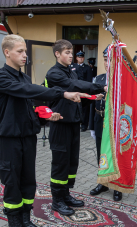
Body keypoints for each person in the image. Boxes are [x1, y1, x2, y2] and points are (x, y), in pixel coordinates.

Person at [0, 34, 89, 227]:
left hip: (28, 138)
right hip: (10, 141)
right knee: (12, 183)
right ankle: (14, 226)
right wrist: (62, 94)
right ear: (7, 52)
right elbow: (26, 92)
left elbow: (30, 106)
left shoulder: (25, 78)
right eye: (20, 51)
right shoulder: (0, 77)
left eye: (25, 51)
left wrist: (44, 115)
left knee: (28, 182)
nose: (25, 55)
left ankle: (26, 221)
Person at [45, 39, 106, 216]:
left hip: (73, 123)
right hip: (60, 124)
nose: (71, 56)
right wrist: (100, 87)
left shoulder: (71, 72)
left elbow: (77, 92)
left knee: (72, 162)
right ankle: (57, 200)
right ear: (57, 54)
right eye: (67, 53)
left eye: (72, 53)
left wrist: (91, 97)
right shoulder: (54, 74)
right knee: (60, 163)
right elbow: (74, 86)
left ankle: (66, 194)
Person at [89, 46, 123, 201]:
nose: (107, 63)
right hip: (99, 120)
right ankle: (103, 183)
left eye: (110, 59)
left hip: (115, 124)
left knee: (115, 155)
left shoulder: (122, 79)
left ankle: (116, 185)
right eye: (104, 59)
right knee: (100, 154)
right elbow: (92, 103)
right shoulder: (98, 79)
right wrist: (91, 126)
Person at [70, 50, 93, 132]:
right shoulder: (72, 66)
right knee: (74, 107)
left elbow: (89, 80)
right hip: (74, 91)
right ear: (76, 58)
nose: (81, 58)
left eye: (82, 57)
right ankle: (76, 123)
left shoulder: (87, 68)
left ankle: (84, 125)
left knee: (85, 109)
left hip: (84, 90)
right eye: (79, 57)